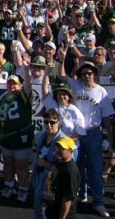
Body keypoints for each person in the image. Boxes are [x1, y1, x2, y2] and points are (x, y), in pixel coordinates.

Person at [57, 60, 114, 216]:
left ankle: (99, 202)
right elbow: (61, 76)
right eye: (83, 74)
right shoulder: (76, 86)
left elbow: (107, 117)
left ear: (94, 74)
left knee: (95, 169)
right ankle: (81, 195)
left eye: (89, 73)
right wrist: (62, 59)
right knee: (77, 167)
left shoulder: (101, 91)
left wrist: (110, 137)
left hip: (93, 133)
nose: (86, 76)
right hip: (75, 134)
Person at [0, 71, 33, 204]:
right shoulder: (2, 101)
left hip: (21, 137)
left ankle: (22, 190)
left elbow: (28, 86)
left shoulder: (23, 97)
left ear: (20, 86)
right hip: (6, 138)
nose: (12, 87)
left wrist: (27, 71)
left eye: (15, 84)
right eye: (10, 84)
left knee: (21, 165)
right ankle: (9, 187)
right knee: (8, 164)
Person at [32, 109, 67, 219]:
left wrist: (46, 164)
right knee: (38, 211)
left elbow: (66, 167)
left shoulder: (64, 141)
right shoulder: (41, 136)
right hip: (40, 179)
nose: (49, 125)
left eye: (52, 122)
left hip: (53, 184)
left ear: (59, 123)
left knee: (50, 213)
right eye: (46, 122)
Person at [43, 136, 81, 219]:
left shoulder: (71, 172)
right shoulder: (58, 161)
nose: (57, 151)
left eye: (62, 149)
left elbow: (67, 199)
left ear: (70, 151)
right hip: (52, 209)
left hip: (62, 214)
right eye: (57, 147)